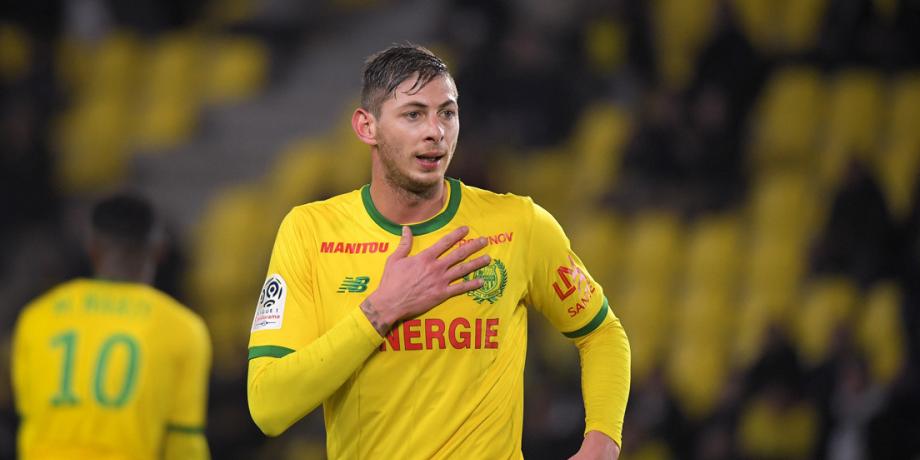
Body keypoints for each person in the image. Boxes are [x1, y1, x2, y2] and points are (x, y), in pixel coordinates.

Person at [247, 44, 630, 459]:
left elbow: (603, 333)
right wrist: (378, 313)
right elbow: (269, 407)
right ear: (366, 127)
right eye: (413, 114)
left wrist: (602, 441)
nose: (436, 131)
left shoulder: (519, 224)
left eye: (446, 113)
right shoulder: (311, 232)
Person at [11, 194, 212, 460]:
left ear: (92, 247)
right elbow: (183, 442)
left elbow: (28, 422)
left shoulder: (36, 317)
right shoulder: (184, 329)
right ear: (159, 250)